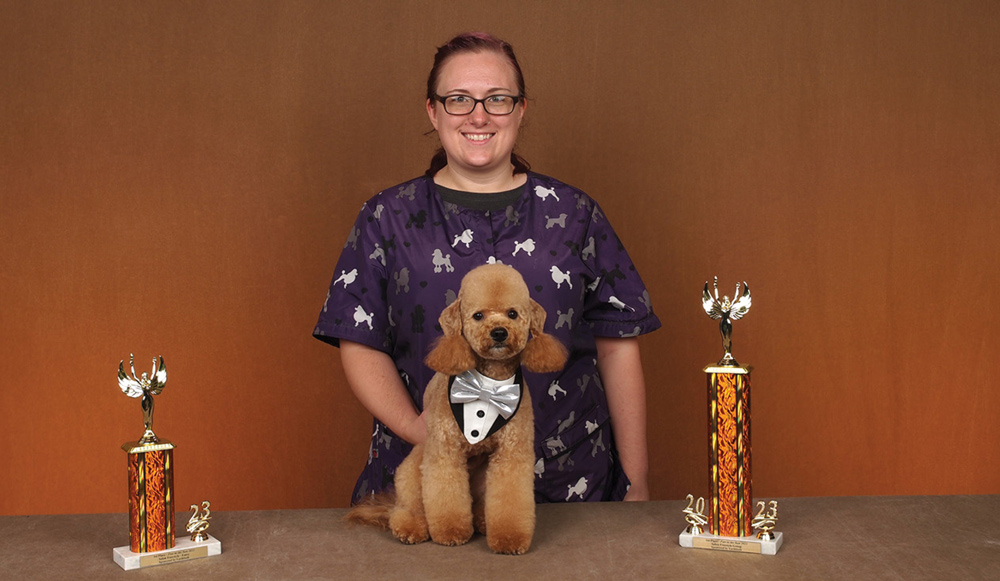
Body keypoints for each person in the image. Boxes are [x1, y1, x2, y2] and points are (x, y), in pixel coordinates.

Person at [314, 32, 660, 505]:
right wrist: (425, 432)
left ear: (520, 110)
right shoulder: (385, 217)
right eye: (459, 99)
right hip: (428, 486)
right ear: (433, 111)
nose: (479, 115)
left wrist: (637, 479)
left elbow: (618, 347)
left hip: (565, 487)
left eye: (497, 99)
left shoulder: (576, 215)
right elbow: (358, 342)